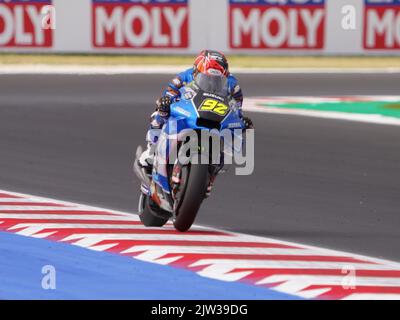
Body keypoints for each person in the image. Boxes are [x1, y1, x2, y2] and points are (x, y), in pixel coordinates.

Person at [138, 50, 254, 196]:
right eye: (208, 77)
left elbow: (237, 107)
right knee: (160, 111)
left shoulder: (233, 84)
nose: (213, 81)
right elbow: (169, 92)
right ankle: (152, 150)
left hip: (215, 117)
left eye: (218, 79)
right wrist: (166, 102)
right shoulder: (184, 76)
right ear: (196, 71)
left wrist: (241, 120)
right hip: (190, 110)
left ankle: (212, 174)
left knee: (237, 133)